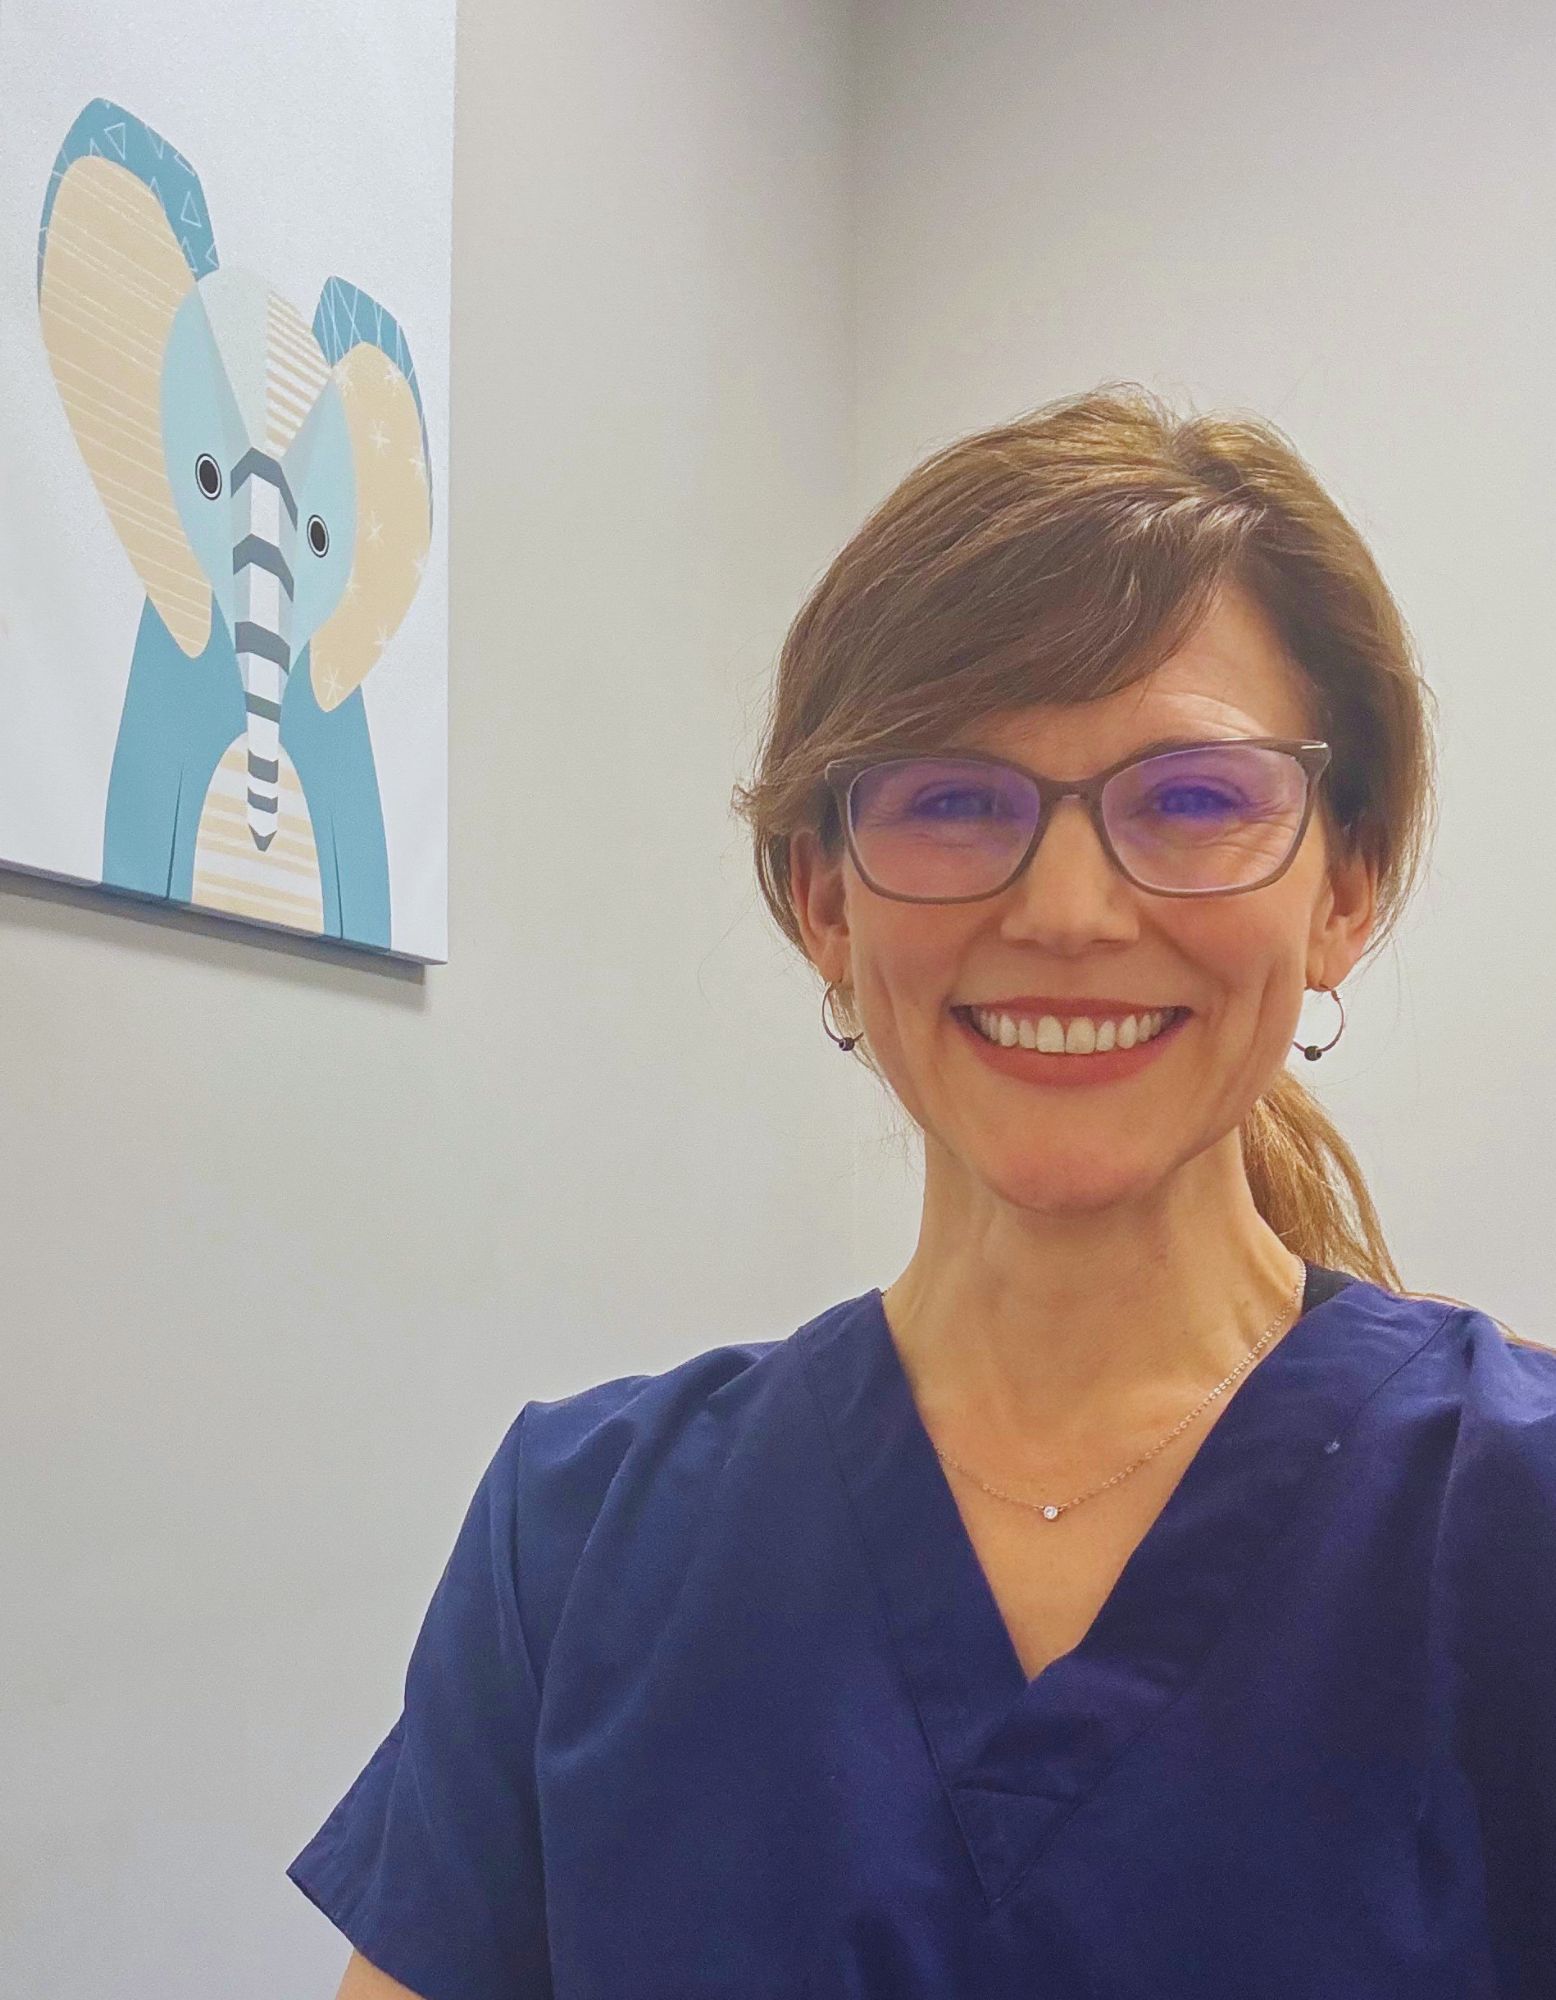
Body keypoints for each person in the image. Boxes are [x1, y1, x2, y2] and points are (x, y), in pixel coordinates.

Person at [287, 383, 1556, 1999]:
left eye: (1193, 800)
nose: (1073, 909)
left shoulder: (1511, 1528)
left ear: (1344, 890)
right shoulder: (584, 1539)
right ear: (824, 897)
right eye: (956, 801)